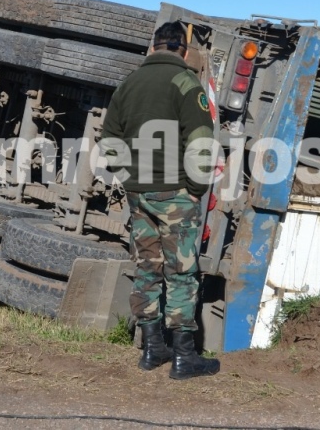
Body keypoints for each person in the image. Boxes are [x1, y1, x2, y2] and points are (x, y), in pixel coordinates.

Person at [101, 20, 221, 379]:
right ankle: (184, 357)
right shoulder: (186, 83)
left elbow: (109, 138)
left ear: (153, 47)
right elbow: (201, 140)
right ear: (183, 51)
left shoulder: (129, 83)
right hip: (175, 194)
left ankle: (152, 350)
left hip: (139, 194)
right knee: (182, 273)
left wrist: (129, 178)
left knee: (147, 267)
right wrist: (195, 189)